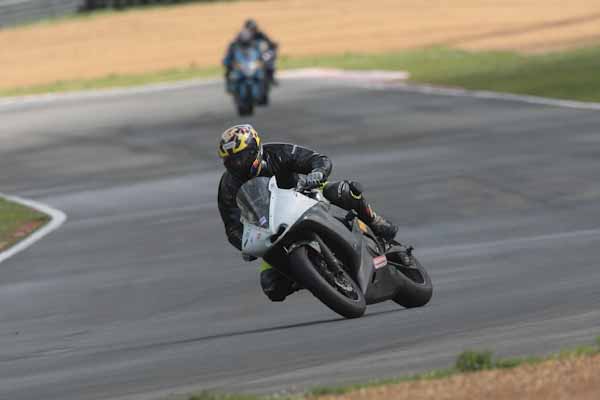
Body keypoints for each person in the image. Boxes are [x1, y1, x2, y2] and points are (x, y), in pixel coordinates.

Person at [217, 124, 398, 302]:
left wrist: (318, 172)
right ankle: (314, 276)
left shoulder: (276, 153)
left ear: (256, 149)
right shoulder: (227, 186)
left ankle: (374, 220)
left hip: (303, 195)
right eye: (232, 161)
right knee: (271, 286)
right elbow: (232, 227)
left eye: (242, 157)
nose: (238, 164)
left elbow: (317, 159)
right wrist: (245, 245)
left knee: (342, 191)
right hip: (270, 228)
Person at [223, 19, 278, 89]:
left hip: (258, 56)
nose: (252, 31)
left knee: (268, 60)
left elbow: (269, 43)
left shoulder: (260, 34)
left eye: (253, 29)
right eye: (250, 29)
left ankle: (270, 78)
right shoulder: (241, 35)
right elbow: (233, 46)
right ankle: (229, 82)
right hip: (243, 56)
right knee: (228, 62)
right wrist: (230, 57)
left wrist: (271, 47)